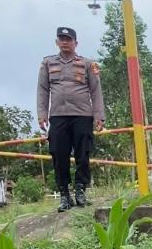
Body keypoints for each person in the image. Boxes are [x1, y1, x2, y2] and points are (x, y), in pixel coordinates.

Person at [37, 26, 105, 212]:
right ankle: (64, 194)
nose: (65, 42)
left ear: (76, 43)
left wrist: (99, 116)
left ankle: (81, 190)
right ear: (57, 42)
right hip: (58, 116)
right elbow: (42, 90)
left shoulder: (88, 64)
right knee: (59, 155)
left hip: (82, 115)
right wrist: (42, 113)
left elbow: (96, 90)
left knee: (83, 154)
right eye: (62, 39)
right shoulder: (47, 63)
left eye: (69, 39)